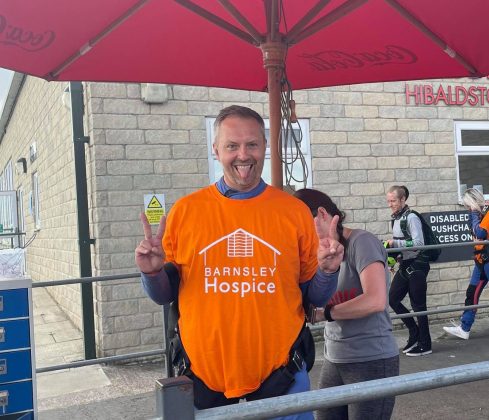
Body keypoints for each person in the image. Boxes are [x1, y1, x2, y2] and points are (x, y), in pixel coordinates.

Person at [135, 105, 344, 417]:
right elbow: (164, 296)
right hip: (203, 379)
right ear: (216, 150)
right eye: (232, 145)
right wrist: (151, 274)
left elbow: (314, 297)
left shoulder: (293, 211)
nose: (243, 155)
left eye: (252, 144)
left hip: (283, 376)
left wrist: (328, 270)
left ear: (264, 148)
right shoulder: (186, 212)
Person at [294, 188, 399, 420]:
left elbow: (376, 300)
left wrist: (327, 313)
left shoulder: (362, 242)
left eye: (301, 225)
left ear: (322, 214)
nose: (299, 233)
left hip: (371, 358)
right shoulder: (316, 252)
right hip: (335, 356)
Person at [443, 188, 489, 340]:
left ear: (473, 203)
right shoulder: (480, 214)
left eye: (468, 206)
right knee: (472, 293)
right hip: (481, 261)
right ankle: (465, 328)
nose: (467, 209)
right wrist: (474, 217)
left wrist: (474, 214)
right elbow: (475, 234)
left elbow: (479, 233)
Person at [386, 185, 432, 356]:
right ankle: (414, 333)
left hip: (417, 265)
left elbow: (419, 243)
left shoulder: (411, 217)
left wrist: (394, 244)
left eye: (393, 201)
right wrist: (394, 257)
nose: (390, 204)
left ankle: (425, 344)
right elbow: (403, 243)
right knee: (393, 299)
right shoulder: (396, 219)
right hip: (405, 264)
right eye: (388, 201)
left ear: (403, 199)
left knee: (419, 305)